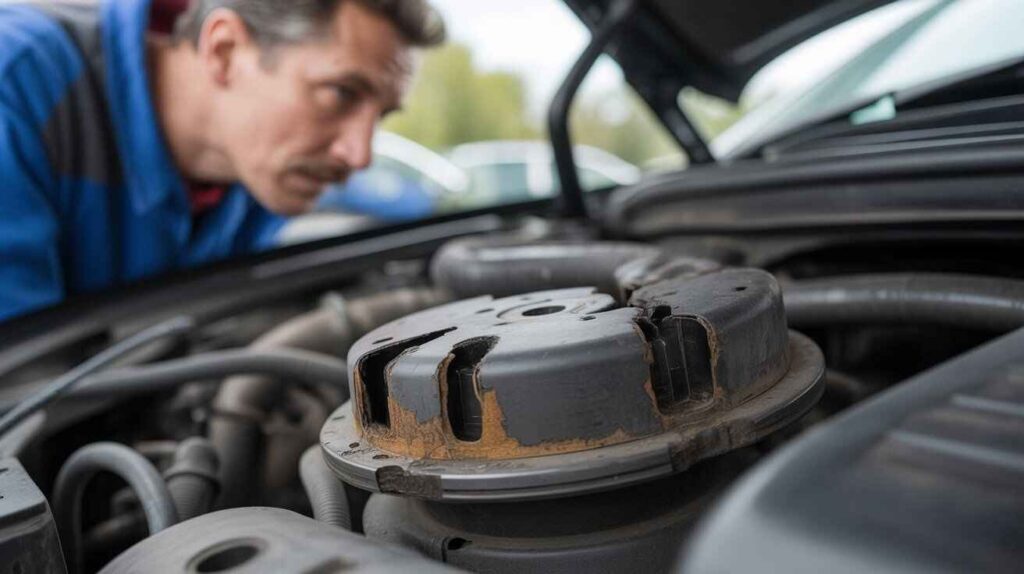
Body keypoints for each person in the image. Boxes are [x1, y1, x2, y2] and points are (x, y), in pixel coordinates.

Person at [0, 0, 445, 322]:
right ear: (224, 50)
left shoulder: (261, 167)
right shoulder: (18, 79)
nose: (359, 155)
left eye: (380, 116)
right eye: (341, 94)